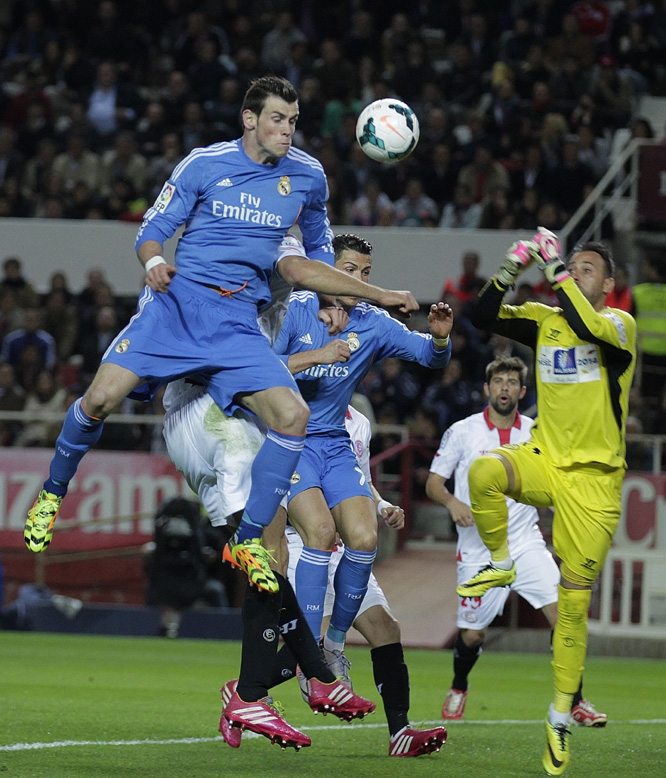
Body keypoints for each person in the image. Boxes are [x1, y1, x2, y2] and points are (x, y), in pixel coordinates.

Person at [23, 74, 419, 607]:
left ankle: (250, 537)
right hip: (177, 308)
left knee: (292, 417)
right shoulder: (204, 164)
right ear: (250, 119)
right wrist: (157, 259)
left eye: (294, 122)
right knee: (99, 399)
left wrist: (336, 297)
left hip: (236, 322)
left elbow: (318, 244)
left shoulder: (306, 177)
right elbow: (152, 227)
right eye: (278, 120)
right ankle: (51, 494)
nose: (287, 132)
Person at [456, 229, 636, 776]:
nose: (576, 272)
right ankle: (502, 562)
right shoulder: (545, 318)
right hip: (546, 459)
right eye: (571, 265)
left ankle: (560, 718)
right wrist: (512, 267)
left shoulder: (618, 326)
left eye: (588, 268)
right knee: (484, 469)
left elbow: (583, 320)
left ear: (608, 284)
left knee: (573, 607)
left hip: (595, 482)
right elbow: (482, 316)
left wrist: (555, 266)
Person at [273, 233, 452, 674]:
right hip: (289, 441)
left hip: (333, 443)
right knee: (319, 531)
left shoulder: (371, 321)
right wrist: (317, 355)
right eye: (349, 270)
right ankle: (309, 653)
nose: (359, 281)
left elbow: (428, 357)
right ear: (325, 269)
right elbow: (258, 368)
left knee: (365, 539)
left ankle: (334, 645)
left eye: (366, 274)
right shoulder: (293, 311)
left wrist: (441, 340)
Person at [425, 356, 607, 727]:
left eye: (512, 382)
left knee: (564, 616)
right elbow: (433, 483)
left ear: (522, 392)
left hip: (525, 543)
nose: (505, 388)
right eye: (499, 381)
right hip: (479, 548)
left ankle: (576, 700)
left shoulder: (539, 433)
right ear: (487, 388)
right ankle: (459, 684)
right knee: (473, 634)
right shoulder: (463, 431)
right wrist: (452, 501)